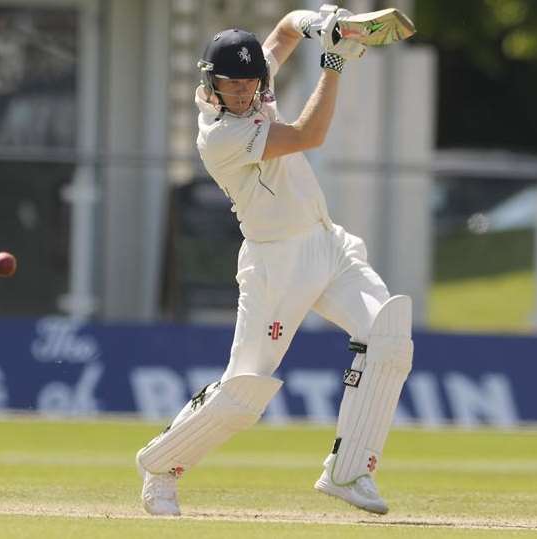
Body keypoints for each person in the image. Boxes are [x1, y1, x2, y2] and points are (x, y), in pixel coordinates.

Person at [136, 5, 413, 517]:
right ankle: (160, 464)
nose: (244, 93)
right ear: (210, 85)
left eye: (250, 83)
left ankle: (349, 471)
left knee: (389, 336)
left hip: (328, 244)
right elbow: (309, 135)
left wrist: (323, 21)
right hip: (275, 265)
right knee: (244, 396)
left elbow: (286, 26)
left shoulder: (255, 86)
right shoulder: (219, 136)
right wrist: (333, 62)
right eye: (231, 85)